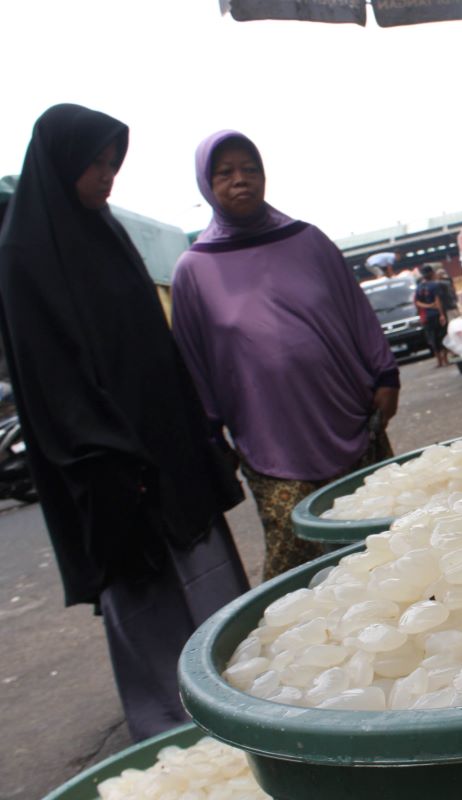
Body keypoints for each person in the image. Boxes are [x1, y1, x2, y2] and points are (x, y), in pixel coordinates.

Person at [0, 105, 248, 741]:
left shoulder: (103, 232)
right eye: (96, 164)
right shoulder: (25, 253)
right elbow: (49, 379)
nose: (107, 177)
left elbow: (151, 349)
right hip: (108, 467)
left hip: (166, 448)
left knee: (210, 585)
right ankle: (177, 737)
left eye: (114, 164)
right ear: (61, 165)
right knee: (148, 598)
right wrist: (111, 456)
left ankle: (242, 704)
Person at [172, 130, 399, 581]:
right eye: (225, 172)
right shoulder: (194, 270)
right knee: (300, 566)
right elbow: (192, 362)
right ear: (206, 184)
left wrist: (385, 374)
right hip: (271, 441)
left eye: (250, 169)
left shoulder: (308, 241)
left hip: (351, 421)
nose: (241, 180)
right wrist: (212, 436)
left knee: (382, 549)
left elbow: (356, 311)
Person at [415, 264, 450, 368]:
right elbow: (438, 300)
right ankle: (445, 360)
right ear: (432, 273)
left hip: (426, 316)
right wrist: (442, 314)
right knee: (443, 336)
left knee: (432, 338)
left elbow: (417, 302)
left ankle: (438, 362)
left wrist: (427, 306)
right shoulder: (435, 285)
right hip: (436, 315)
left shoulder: (419, 287)